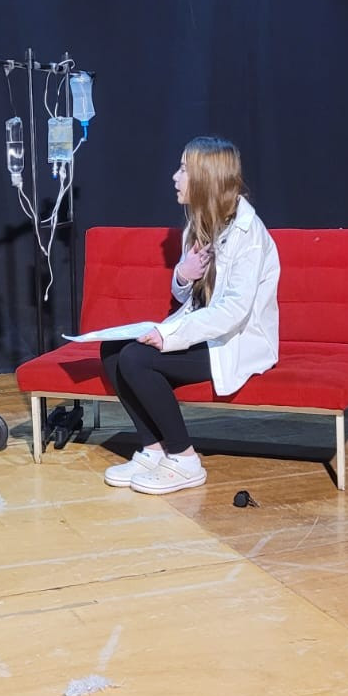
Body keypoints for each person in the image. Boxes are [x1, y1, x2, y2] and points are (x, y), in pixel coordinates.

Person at [99, 136, 281, 495]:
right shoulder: (199, 224)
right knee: (113, 350)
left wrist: (168, 336)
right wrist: (183, 274)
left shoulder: (249, 235)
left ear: (205, 178)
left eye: (183, 169)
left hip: (234, 341)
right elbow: (191, 297)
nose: (175, 177)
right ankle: (153, 450)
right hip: (205, 332)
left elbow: (233, 312)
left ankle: (184, 459)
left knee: (137, 358)